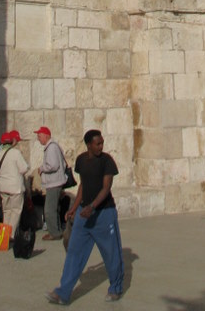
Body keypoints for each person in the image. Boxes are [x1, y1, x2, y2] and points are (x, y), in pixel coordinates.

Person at [46, 130, 124, 305]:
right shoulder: (81, 160)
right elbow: (83, 185)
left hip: (104, 213)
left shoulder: (107, 161)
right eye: (98, 143)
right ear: (89, 144)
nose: (101, 146)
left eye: (102, 143)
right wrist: (74, 208)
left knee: (111, 253)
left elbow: (106, 188)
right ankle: (63, 293)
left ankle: (116, 288)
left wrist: (92, 206)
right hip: (84, 214)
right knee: (74, 252)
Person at [0, 130, 29, 238]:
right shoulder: (15, 153)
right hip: (15, 186)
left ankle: (4, 234)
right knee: (16, 210)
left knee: (6, 210)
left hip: (3, 186)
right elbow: (23, 168)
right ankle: (11, 235)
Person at [34, 125, 67, 241]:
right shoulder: (53, 146)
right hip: (55, 182)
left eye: (39, 136)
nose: (38, 138)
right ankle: (57, 230)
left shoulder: (51, 148)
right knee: (54, 208)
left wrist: (42, 168)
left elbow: (53, 165)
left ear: (46, 136)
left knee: (48, 210)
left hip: (54, 183)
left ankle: (54, 233)